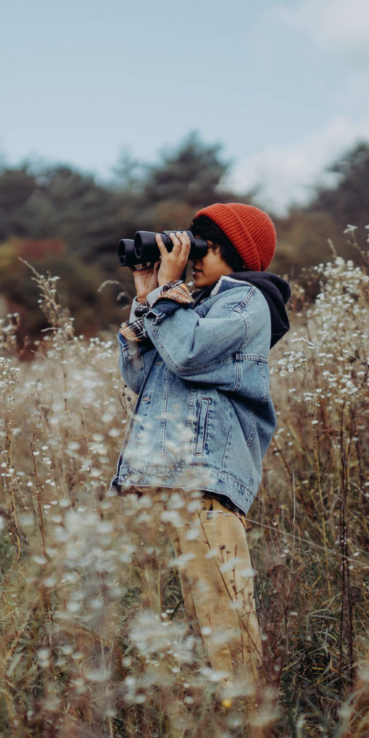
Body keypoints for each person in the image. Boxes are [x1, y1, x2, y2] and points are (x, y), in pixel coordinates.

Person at [111, 202, 291, 683]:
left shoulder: (246, 300)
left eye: (204, 245)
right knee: (206, 612)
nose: (192, 255)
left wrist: (169, 292)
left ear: (236, 251)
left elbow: (187, 355)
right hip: (184, 481)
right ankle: (231, 719)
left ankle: (247, 720)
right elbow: (141, 374)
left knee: (225, 615)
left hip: (207, 477)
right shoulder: (191, 303)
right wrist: (148, 294)